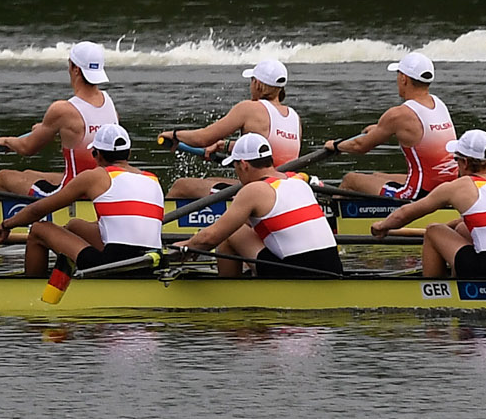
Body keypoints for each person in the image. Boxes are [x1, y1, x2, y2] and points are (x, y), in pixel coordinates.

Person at [0, 124, 159, 277]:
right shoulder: (152, 178)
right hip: (153, 261)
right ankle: (66, 276)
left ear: (96, 154)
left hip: (115, 262)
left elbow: (38, 211)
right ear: (128, 153)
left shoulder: (94, 176)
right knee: (75, 226)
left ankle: (33, 290)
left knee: (38, 229)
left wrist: (6, 225)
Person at [368, 129, 486, 279]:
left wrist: (381, 226)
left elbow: (405, 213)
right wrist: (452, 226)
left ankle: (434, 294)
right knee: (463, 229)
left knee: (434, 230)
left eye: (456, 160)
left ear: (465, 162)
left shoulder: (460, 186)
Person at [172, 135, 341, 277]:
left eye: (235, 166)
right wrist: (195, 243)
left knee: (232, 233)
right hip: (333, 268)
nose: (236, 173)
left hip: (299, 275)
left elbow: (211, 237)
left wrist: (182, 248)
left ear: (244, 164)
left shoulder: (254, 190)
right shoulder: (298, 181)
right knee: (237, 232)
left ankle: (228, 298)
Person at [0, 41, 118, 196]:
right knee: (29, 173)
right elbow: (86, 135)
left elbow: (27, 148)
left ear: (75, 69)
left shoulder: (63, 110)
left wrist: (6, 141)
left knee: (3, 177)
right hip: (106, 187)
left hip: (73, 194)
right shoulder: (109, 102)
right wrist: (49, 130)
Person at [162, 58, 301, 201]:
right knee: (210, 180)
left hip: (260, 192)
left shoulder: (249, 108)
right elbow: (269, 149)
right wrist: (225, 145)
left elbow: (203, 138)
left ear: (257, 84)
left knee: (182, 186)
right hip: (285, 187)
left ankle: (160, 222)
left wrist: (174, 135)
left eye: (252, 81)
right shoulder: (293, 116)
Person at [322, 53, 456, 199]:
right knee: (377, 176)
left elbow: (360, 146)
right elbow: (413, 131)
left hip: (419, 194)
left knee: (350, 180)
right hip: (448, 186)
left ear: (404, 79)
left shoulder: (399, 114)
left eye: (398, 75)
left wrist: (335, 145)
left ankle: (335, 218)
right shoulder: (439, 104)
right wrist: (378, 130)